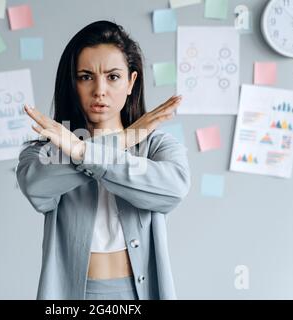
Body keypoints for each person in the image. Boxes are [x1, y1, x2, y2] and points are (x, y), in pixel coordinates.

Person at [16, 20, 190, 300]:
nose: (99, 90)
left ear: (131, 82)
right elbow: (37, 189)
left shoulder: (157, 146)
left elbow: (172, 192)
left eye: (113, 77)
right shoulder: (45, 152)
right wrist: (121, 140)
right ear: (72, 83)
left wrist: (84, 152)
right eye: (86, 76)